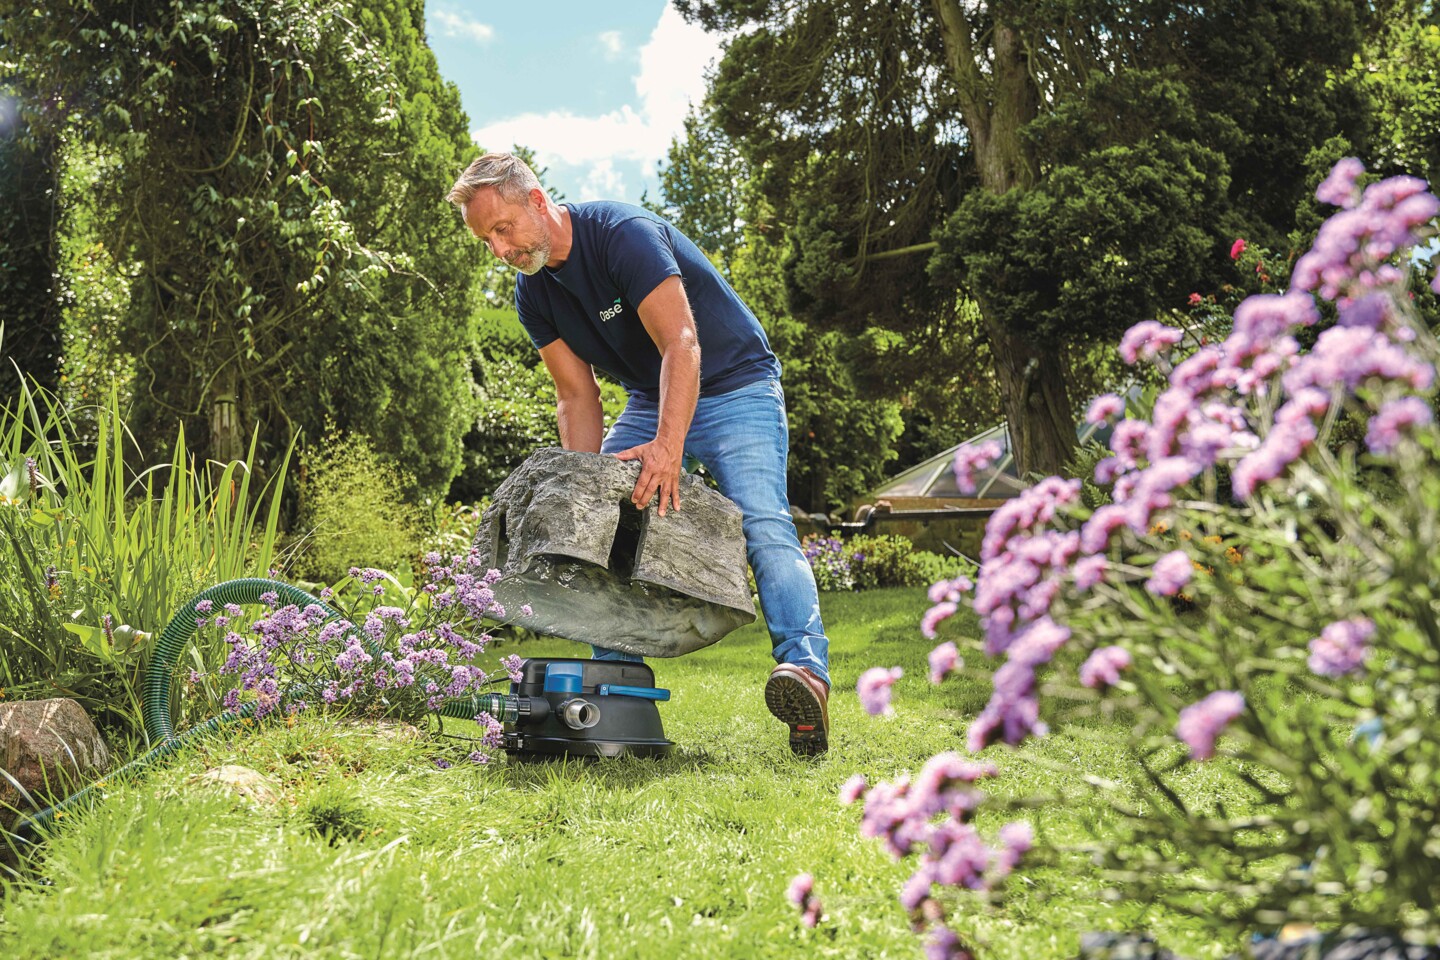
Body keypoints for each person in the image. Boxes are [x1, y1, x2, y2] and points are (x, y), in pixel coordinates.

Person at [446, 153, 832, 755]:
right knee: (598, 533)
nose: (500, 249)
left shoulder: (621, 236)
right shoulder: (534, 295)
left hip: (733, 382)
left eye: (503, 229)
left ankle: (805, 673)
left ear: (538, 201)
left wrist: (668, 448)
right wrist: (582, 492)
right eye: (486, 240)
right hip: (652, 395)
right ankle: (617, 694)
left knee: (761, 519)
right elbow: (576, 395)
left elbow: (682, 342)